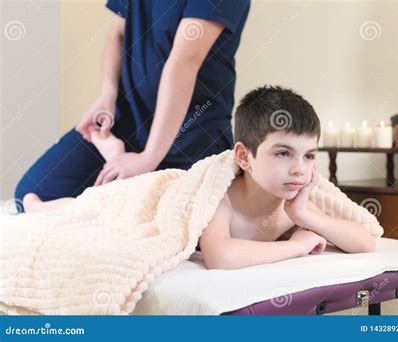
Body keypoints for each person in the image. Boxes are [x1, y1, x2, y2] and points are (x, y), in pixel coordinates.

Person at [22, 85, 376, 270]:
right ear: (243, 156)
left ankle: (113, 153)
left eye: (309, 155)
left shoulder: (294, 203)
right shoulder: (219, 197)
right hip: (161, 195)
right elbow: (221, 256)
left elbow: (366, 242)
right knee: (101, 207)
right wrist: (295, 246)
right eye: (283, 153)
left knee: (111, 198)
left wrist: (306, 217)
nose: (300, 169)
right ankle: (42, 208)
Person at [14, 0, 251, 212]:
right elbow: (117, 35)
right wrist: (106, 96)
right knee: (30, 194)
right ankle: (109, 171)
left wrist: (148, 158)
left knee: (161, 225)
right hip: (125, 122)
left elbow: (184, 63)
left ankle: (97, 204)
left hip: (188, 140)